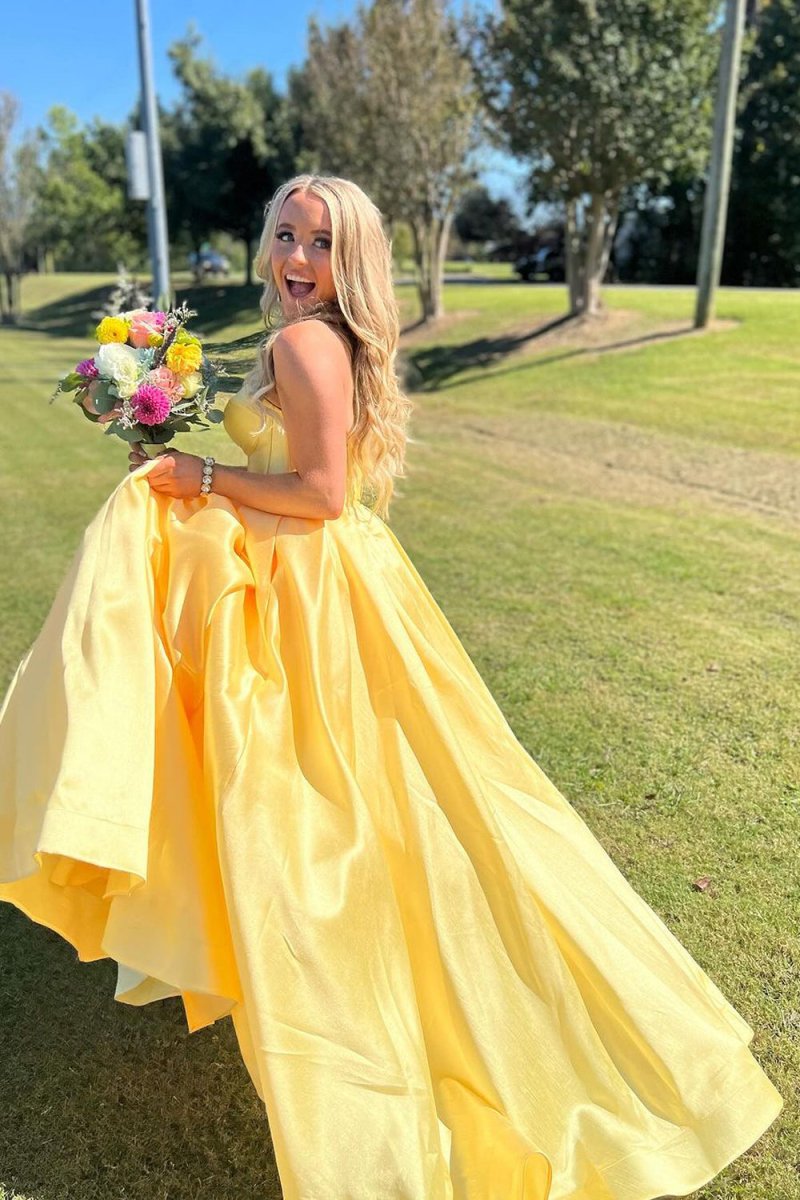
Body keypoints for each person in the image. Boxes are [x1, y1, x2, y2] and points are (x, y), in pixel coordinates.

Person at [0, 174, 783, 1200]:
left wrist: (201, 478)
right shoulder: (318, 340)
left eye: (320, 244)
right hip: (322, 578)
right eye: (284, 233)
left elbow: (319, 493)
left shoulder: (302, 344)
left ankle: (352, 1020)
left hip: (311, 599)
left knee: (323, 820)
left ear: (350, 259)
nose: (295, 257)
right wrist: (176, 437)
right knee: (372, 811)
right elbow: (311, 476)